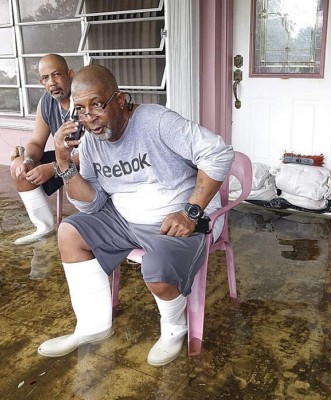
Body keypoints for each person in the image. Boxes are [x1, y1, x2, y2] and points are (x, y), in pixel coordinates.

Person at [37, 64, 234, 366]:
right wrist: (64, 163)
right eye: (80, 110)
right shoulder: (91, 140)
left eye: (97, 105)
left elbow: (218, 152)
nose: (90, 118)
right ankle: (91, 326)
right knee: (69, 233)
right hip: (123, 216)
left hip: (177, 215)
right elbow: (93, 202)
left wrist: (191, 211)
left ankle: (174, 328)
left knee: (155, 271)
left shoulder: (155, 121)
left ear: (120, 100)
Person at [10, 54, 79, 245]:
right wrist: (29, 161)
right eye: (45, 78)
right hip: (63, 159)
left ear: (70, 74)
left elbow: (95, 153)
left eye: (56, 74)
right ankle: (44, 227)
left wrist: (53, 169)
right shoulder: (46, 102)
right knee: (19, 166)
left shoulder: (83, 97)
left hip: (90, 162)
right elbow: (36, 143)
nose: (52, 82)